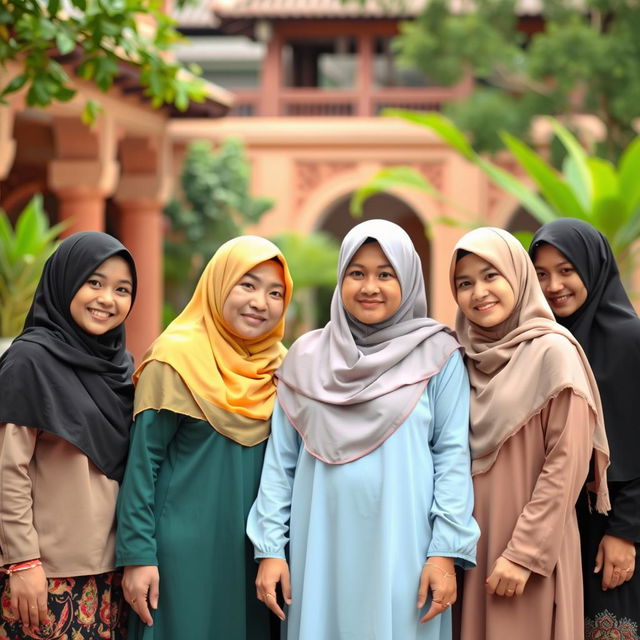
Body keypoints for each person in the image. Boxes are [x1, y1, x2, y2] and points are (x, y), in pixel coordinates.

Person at [247, 219, 479, 640]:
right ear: (341, 280)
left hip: (405, 548)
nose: (370, 286)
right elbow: (281, 462)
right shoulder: (306, 357)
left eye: (384, 274)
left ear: (407, 280)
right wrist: (270, 549)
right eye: (357, 273)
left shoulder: (439, 355)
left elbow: (452, 458)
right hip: (318, 544)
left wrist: (445, 553)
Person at [116, 236, 292, 640]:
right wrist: (138, 555)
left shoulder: (284, 369)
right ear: (217, 284)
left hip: (256, 556)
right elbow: (143, 467)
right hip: (180, 557)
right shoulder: (174, 359)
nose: (260, 302)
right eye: (246, 284)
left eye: (275, 292)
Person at [451, 227, 610, 640]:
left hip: (527, 548)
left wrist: (524, 554)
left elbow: (566, 465)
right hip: (466, 547)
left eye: (491, 276)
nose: (478, 292)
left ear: (517, 277)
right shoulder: (460, 358)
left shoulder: (553, 353)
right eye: (464, 283)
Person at [0, 231, 137, 639]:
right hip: (43, 576)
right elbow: (8, 471)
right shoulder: (29, 362)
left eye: (122, 289)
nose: (107, 299)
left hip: (107, 575)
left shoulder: (120, 367)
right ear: (64, 280)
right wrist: (22, 561)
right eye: (94, 282)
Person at [530, 218, 640, 638]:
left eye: (566, 270)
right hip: (554, 532)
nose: (554, 285)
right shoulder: (538, 344)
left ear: (593, 269)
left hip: (610, 530)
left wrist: (626, 533)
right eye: (540, 274)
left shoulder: (629, 340)